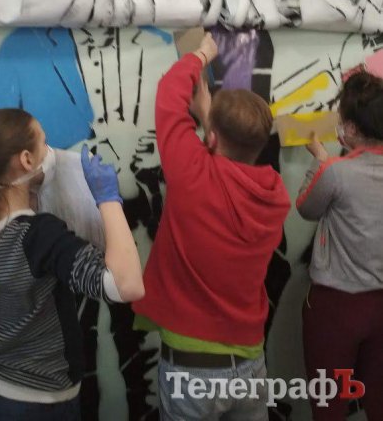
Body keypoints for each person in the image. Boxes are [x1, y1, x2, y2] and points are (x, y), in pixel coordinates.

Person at [133, 32, 291, 420]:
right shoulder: (274, 197)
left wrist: (202, 53)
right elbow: (228, 170)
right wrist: (210, 122)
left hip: (191, 369)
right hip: (250, 365)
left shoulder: (192, 174)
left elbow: (169, 92)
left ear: (214, 136)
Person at [0, 108, 144, 421]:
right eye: (45, 142)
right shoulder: (39, 236)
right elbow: (127, 285)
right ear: (27, 160)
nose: (52, 150)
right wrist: (108, 198)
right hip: (39, 405)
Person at [297, 71, 383, 421]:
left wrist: (321, 158)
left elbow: (306, 207)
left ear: (349, 127)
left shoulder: (335, 171)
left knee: (328, 406)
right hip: (380, 306)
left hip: (336, 309)